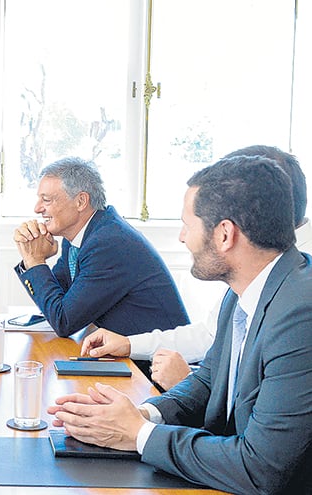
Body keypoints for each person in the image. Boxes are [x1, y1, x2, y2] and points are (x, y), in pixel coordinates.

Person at [48, 155, 312, 493]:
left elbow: (260, 468)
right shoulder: (244, 291)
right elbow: (208, 379)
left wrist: (139, 435)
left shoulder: (299, 315)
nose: (182, 237)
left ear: (225, 234)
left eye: (188, 224)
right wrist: (143, 415)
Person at [81, 145, 312, 389]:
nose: (183, 237)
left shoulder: (296, 298)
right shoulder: (252, 268)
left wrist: (185, 382)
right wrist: (130, 344)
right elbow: (211, 335)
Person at [13, 157, 189, 337]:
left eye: (46, 200)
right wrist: (32, 258)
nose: (37, 208)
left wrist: (35, 261)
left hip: (156, 354)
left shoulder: (108, 244)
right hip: (125, 350)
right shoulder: (82, 235)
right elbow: (57, 301)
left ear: (81, 201)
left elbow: (63, 320)